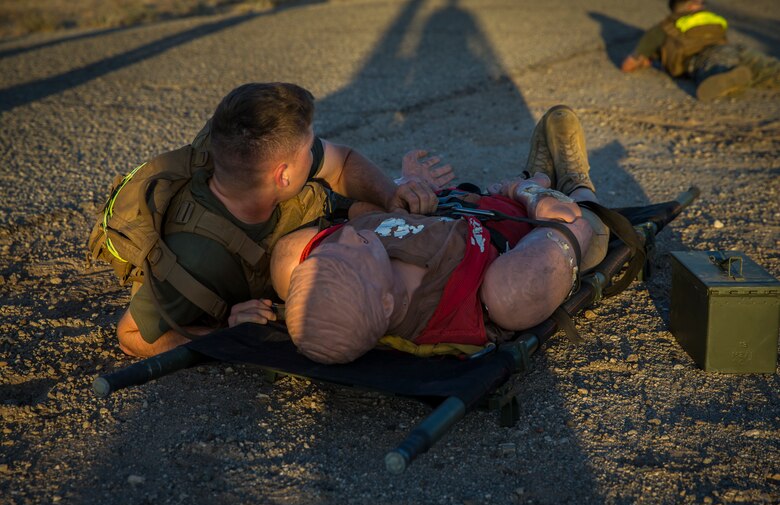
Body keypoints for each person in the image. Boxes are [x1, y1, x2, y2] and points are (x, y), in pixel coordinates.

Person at [243, 106, 611, 364]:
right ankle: (574, 181)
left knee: (288, 255)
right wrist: (530, 194)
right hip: (527, 218)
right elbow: (568, 224)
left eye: (331, 245)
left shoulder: (327, 265)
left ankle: (539, 174)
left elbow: (353, 222)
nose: (346, 237)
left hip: (459, 204)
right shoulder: (502, 294)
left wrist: (402, 188)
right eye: (355, 247)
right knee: (588, 225)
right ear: (387, 304)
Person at [116, 82, 453, 358]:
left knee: (365, 207)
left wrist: (389, 197)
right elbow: (130, 335)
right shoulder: (196, 257)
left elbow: (342, 160)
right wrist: (221, 333)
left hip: (274, 228)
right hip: (212, 258)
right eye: (308, 148)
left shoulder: (254, 165)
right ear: (283, 175)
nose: (315, 151)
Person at [620, 0, 779, 101]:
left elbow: (628, 65)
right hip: (734, 50)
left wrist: (645, 60)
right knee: (758, 63)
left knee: (716, 63)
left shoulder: (662, 28)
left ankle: (726, 76)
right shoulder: (711, 18)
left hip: (708, 56)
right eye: (700, 3)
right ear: (691, 5)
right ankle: (758, 73)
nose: (702, 6)